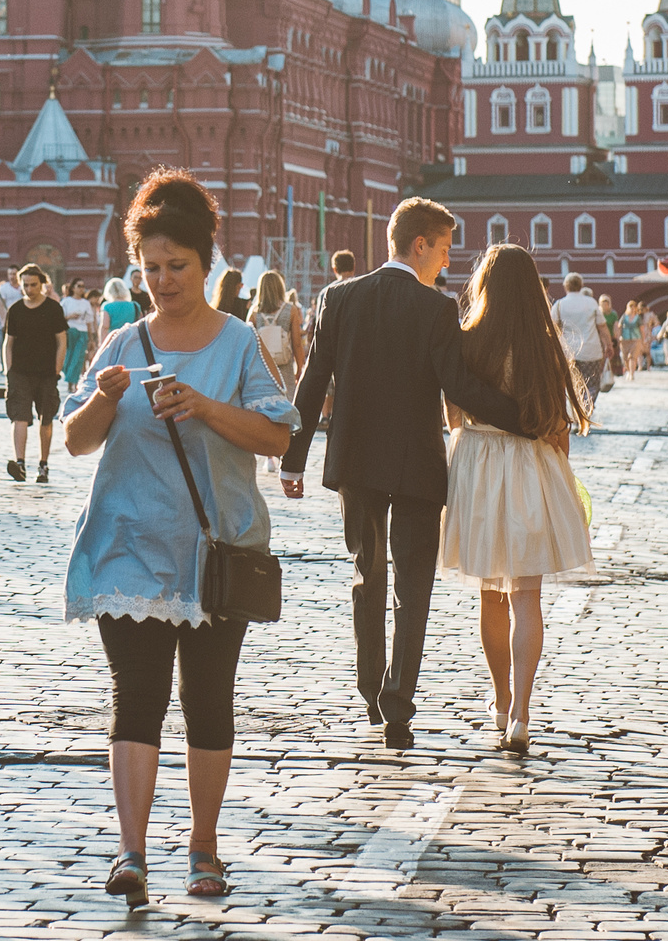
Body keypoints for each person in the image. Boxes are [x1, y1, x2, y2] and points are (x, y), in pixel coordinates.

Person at [65, 169, 295, 906]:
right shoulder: (123, 340)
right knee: (135, 696)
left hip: (213, 552)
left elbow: (277, 434)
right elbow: (73, 440)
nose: (162, 280)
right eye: (150, 267)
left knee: (207, 701)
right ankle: (131, 850)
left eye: (176, 266)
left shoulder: (238, 343)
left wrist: (202, 405)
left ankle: (203, 843)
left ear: (207, 264)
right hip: (129, 547)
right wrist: (103, 401)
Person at [280, 198, 522, 749]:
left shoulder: (337, 298)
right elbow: (458, 387)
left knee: (367, 574)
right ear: (419, 245)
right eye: (442, 250)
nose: (446, 263)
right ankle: (398, 707)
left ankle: (370, 688)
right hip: (416, 463)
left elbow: (312, 383)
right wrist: (525, 417)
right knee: (414, 588)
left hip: (357, 462)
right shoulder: (435, 309)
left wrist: (293, 460)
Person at [441, 243, 591, 752]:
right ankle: (523, 714)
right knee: (527, 597)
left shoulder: (466, 340)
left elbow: (453, 417)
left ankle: (500, 698)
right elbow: (557, 426)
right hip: (530, 466)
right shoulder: (542, 344)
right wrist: (564, 481)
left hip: (479, 464)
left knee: (490, 594)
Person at [3, 265, 67, 483]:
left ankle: (43, 464)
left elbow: (62, 340)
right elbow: (8, 343)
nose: (29, 289)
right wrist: (8, 370)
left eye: (33, 285)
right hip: (20, 372)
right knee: (19, 416)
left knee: (45, 418)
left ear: (42, 284)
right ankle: (19, 463)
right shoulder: (16, 310)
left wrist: (57, 370)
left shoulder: (53, 309)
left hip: (47, 372)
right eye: (25, 285)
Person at [551, 274, 606, 410]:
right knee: (592, 384)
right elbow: (602, 326)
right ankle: (586, 407)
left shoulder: (559, 305)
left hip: (568, 353)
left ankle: (577, 410)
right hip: (590, 351)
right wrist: (609, 345)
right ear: (581, 286)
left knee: (573, 385)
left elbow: (552, 329)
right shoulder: (591, 303)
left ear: (565, 287)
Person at [247, 272, 304, 386]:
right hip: (285, 367)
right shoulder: (290, 310)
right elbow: (296, 343)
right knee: (285, 398)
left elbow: (248, 343)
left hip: (261, 367)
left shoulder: (254, 312)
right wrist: (299, 367)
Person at [60, 282, 97, 396]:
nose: (81, 289)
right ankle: (69, 379)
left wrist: (91, 339)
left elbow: (89, 322)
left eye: (83, 286)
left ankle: (74, 382)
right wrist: (70, 316)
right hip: (70, 330)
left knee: (79, 357)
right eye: (79, 286)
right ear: (73, 288)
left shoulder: (86, 303)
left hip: (83, 331)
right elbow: (59, 318)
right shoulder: (66, 301)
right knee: (69, 357)